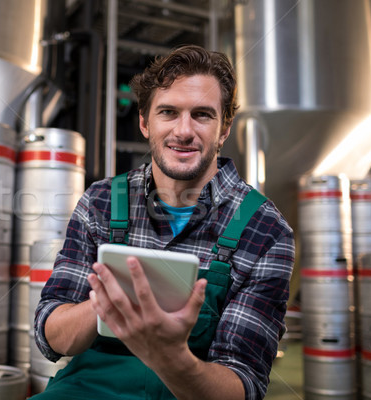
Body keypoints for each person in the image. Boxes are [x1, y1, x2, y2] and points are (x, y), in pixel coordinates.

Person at [32, 44, 295, 400]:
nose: (183, 131)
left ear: (224, 128)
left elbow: (242, 384)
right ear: (144, 122)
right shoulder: (101, 202)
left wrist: (172, 357)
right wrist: (107, 302)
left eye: (202, 115)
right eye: (168, 112)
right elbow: (51, 335)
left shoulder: (265, 231)